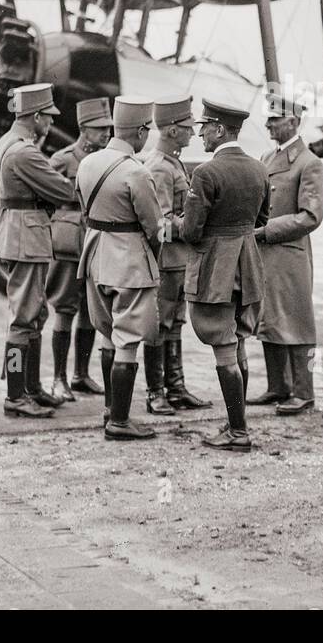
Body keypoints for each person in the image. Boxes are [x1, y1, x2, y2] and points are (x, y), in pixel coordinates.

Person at [180, 98, 271, 452]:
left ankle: (237, 432)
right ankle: (238, 423)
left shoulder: (206, 173)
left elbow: (191, 231)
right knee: (239, 342)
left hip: (215, 268)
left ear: (219, 130)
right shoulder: (259, 169)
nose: (200, 133)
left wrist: (175, 224)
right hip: (247, 264)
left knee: (222, 346)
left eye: (205, 127)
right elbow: (263, 220)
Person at [76, 96, 164, 441]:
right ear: (140, 131)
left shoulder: (88, 163)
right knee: (128, 337)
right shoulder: (136, 172)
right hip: (128, 260)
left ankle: (111, 410)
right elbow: (154, 226)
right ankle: (121, 421)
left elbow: (85, 208)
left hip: (95, 253)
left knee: (107, 333)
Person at [0, 83, 77, 419]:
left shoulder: (8, 142)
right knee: (23, 320)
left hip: (16, 232)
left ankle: (31, 387)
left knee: (34, 315)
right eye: (48, 117)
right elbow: (63, 189)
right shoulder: (25, 152)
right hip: (25, 238)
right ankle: (16, 394)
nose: (51, 124)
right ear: (36, 116)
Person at [250, 92, 323, 415]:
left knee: (298, 323)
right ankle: (277, 386)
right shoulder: (268, 159)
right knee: (269, 320)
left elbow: (311, 216)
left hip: (289, 254)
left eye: (275, 120)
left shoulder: (309, 163)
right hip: (266, 254)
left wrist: (267, 231)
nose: (268, 125)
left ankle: (304, 391)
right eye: (268, 119)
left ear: (294, 122)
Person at [144, 96, 212, 414]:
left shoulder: (172, 162)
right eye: (187, 128)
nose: (193, 134)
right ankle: (156, 392)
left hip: (177, 261)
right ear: (172, 131)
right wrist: (195, 224)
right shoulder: (159, 167)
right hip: (166, 260)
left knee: (174, 323)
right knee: (160, 325)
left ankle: (176, 387)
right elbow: (160, 223)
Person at [46, 98, 113, 402]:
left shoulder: (105, 160)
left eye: (108, 128)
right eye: (100, 128)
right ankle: (59, 378)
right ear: (84, 129)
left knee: (91, 310)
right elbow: (43, 195)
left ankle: (81, 374)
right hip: (68, 243)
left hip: (96, 242)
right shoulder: (61, 160)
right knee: (64, 308)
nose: (106, 134)